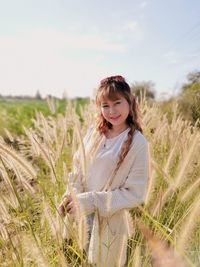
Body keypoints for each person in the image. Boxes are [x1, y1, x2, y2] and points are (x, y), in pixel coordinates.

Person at [58, 75, 149, 267]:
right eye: (105, 105)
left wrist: (90, 200)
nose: (112, 111)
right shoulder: (95, 131)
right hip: (79, 217)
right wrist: (69, 196)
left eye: (117, 102)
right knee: (74, 260)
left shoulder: (138, 143)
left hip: (109, 224)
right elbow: (78, 167)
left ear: (130, 102)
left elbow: (135, 194)